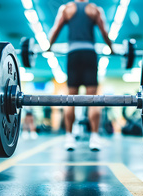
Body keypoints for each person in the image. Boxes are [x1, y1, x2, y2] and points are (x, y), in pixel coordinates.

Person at [48, 0, 114, 151]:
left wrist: (49, 47)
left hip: (74, 55)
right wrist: (111, 48)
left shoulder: (67, 9)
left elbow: (55, 30)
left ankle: (69, 138)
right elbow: (104, 32)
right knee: (93, 99)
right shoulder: (94, 9)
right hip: (89, 55)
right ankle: (95, 138)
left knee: (71, 98)